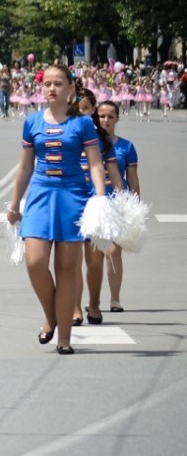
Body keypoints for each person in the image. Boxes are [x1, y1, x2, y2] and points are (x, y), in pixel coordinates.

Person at [5, 65, 108, 356]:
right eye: (47, 83)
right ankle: (51, 316)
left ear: (70, 88)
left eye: (58, 83)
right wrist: (15, 204)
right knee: (35, 262)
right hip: (40, 196)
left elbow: (95, 163)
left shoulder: (83, 123)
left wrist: (100, 198)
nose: (51, 88)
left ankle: (64, 337)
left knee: (66, 270)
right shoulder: (32, 121)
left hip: (73, 197)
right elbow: (25, 167)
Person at [73, 92, 126, 325]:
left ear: (92, 109)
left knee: (94, 262)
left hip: (96, 204)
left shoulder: (102, 139)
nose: (80, 113)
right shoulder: (64, 135)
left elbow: (114, 175)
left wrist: (122, 205)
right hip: (71, 202)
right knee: (71, 261)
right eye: (76, 109)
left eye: (85, 108)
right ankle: (75, 307)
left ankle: (94, 303)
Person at [92, 100, 139, 315]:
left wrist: (134, 206)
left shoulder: (126, 147)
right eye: (102, 116)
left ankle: (115, 299)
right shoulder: (88, 143)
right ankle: (93, 300)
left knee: (113, 251)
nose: (106, 120)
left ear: (117, 119)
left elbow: (133, 178)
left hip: (117, 204)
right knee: (93, 255)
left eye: (110, 116)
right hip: (93, 203)